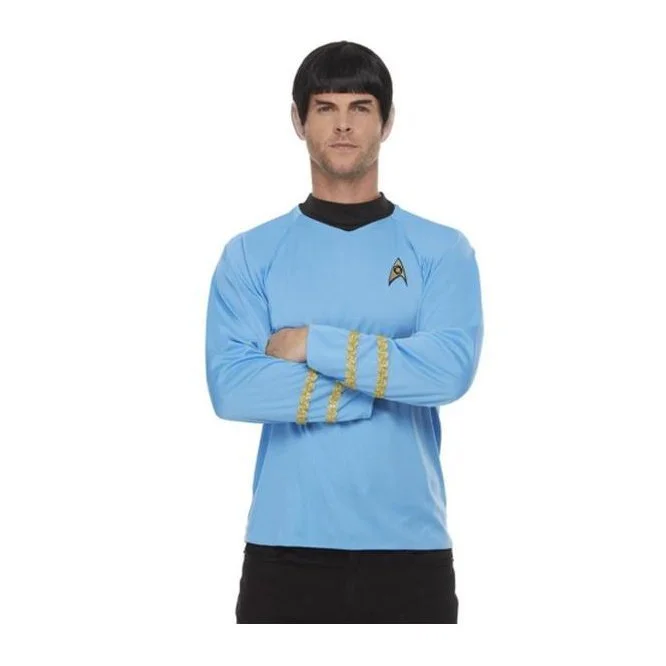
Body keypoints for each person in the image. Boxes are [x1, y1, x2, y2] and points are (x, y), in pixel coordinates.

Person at [204, 40, 484, 623]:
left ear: (387, 122)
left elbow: (448, 371)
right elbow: (233, 387)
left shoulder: (441, 250)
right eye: (325, 107)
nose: (343, 125)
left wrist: (311, 343)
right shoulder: (250, 254)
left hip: (410, 547)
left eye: (360, 107)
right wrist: (387, 385)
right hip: (284, 547)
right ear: (298, 120)